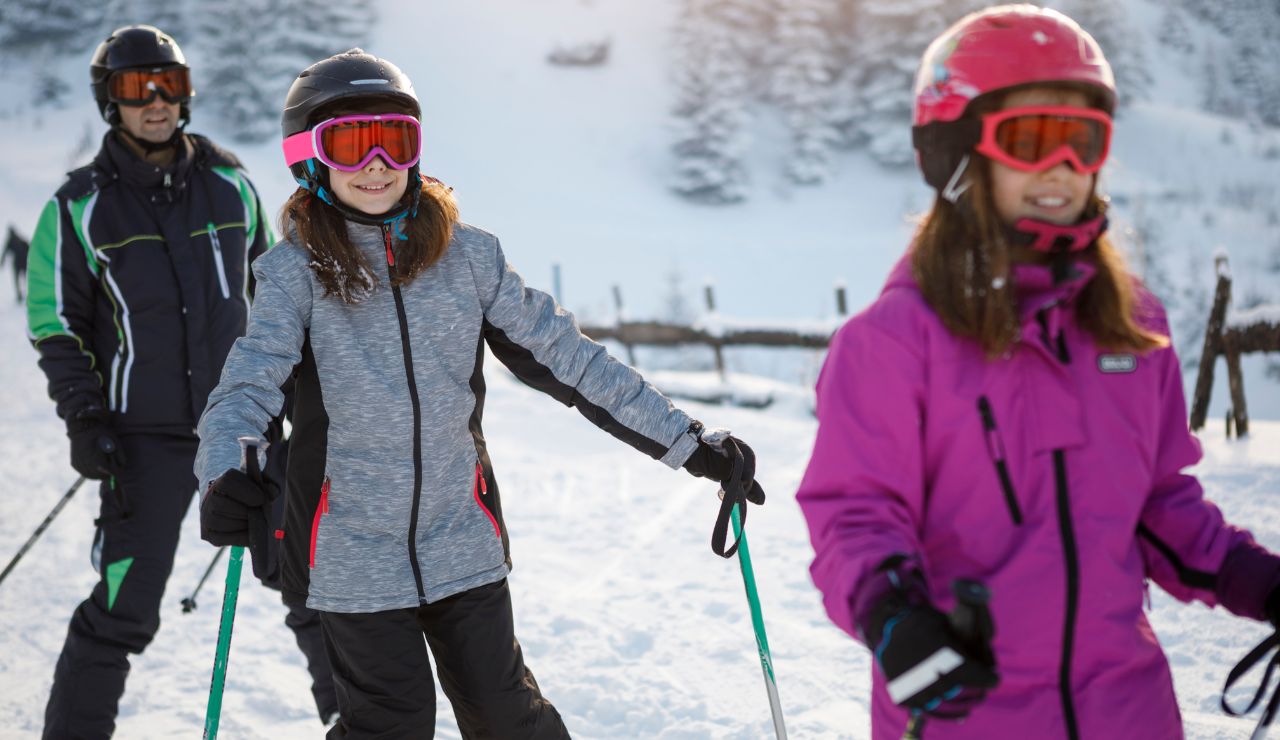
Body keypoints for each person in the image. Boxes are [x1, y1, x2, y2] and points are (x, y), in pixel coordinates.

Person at [194, 48, 765, 739]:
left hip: (460, 539)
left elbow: (573, 361)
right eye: (350, 142)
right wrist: (225, 466)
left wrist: (689, 443)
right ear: (309, 157)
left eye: (394, 140)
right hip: (350, 553)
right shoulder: (293, 276)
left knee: (508, 719)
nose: (376, 162)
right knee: (392, 726)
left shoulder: (469, 259)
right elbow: (249, 385)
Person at [796, 6, 1280, 740]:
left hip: (1130, 713)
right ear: (957, 153)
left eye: (1082, 140)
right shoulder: (892, 344)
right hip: (962, 714)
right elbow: (854, 515)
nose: (1060, 167)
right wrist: (897, 620)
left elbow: (1158, 506)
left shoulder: (1132, 328)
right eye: (1029, 139)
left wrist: (1260, 581)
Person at [24, 25, 336, 736]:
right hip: (144, 439)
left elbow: (282, 298)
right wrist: (86, 419)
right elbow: (54, 323)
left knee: (319, 588)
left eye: (171, 82)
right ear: (111, 100)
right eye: (138, 87)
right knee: (121, 608)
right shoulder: (77, 207)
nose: (157, 99)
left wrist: (301, 401)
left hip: (251, 429)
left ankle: (361, 722)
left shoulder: (231, 185)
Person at [3, 226, 29, 302]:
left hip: (18, 264)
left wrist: (2, 262)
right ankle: (23, 294)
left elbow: (4, 252)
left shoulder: (11, 241)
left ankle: (20, 295)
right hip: (23, 263)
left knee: (18, 280)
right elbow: (29, 248)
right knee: (24, 279)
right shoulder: (20, 239)